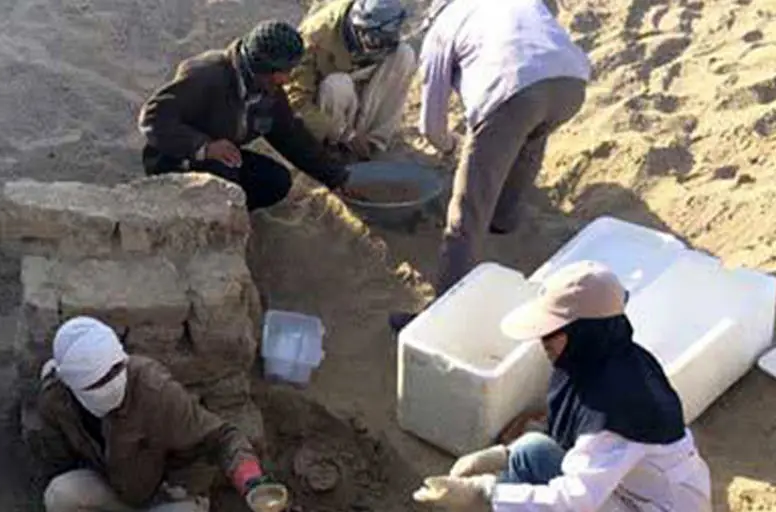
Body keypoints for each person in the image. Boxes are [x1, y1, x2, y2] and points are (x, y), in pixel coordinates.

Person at [412, 262, 712, 512]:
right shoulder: (616, 361)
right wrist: (500, 455)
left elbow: (571, 504)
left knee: (531, 459)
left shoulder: (614, 407)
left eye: (551, 331)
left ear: (583, 329)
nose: (542, 341)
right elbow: (578, 449)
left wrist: (483, 491)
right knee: (528, 451)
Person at [32, 317, 287, 512]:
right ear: (71, 384)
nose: (111, 382)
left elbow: (222, 437)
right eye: (96, 383)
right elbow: (58, 465)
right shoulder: (57, 401)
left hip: (172, 495)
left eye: (116, 369)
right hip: (116, 487)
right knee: (58, 496)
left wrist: (250, 481)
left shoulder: (155, 391)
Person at [390, 0, 590, 331]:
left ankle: (441, 314)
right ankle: (505, 217)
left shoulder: (441, 30)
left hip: (510, 89)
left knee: (467, 212)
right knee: (530, 139)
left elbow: (431, 127)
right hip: (571, 82)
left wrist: (454, 146)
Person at [138, 19, 351, 211]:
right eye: (283, 72)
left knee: (276, 182)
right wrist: (204, 147)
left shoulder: (268, 91)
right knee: (226, 180)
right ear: (263, 67)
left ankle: (231, 212)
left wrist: (335, 176)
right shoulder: (207, 75)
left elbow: (290, 135)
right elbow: (153, 118)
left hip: (224, 155)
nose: (286, 79)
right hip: (178, 157)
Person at [285, 0, 417, 161]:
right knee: (336, 85)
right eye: (380, 40)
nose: (389, 43)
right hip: (328, 104)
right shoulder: (314, 37)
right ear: (360, 32)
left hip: (359, 76)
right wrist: (343, 133)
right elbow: (297, 103)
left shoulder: (377, 18)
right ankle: (335, 149)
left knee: (404, 54)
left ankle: (375, 143)